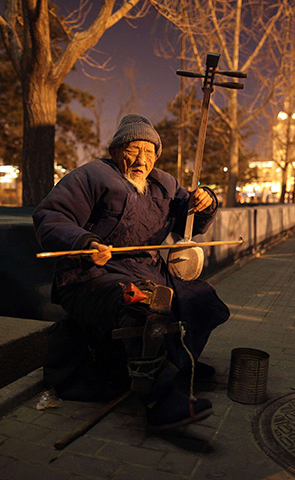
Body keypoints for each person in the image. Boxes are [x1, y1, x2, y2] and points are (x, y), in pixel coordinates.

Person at [32, 114, 229, 430]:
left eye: (149, 152)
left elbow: (190, 220)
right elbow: (50, 216)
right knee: (144, 300)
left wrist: (205, 201)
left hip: (147, 269)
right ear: (115, 150)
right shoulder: (92, 176)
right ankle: (159, 400)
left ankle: (178, 363)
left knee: (199, 296)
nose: (141, 159)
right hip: (91, 276)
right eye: (133, 150)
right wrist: (84, 242)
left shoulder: (164, 184)